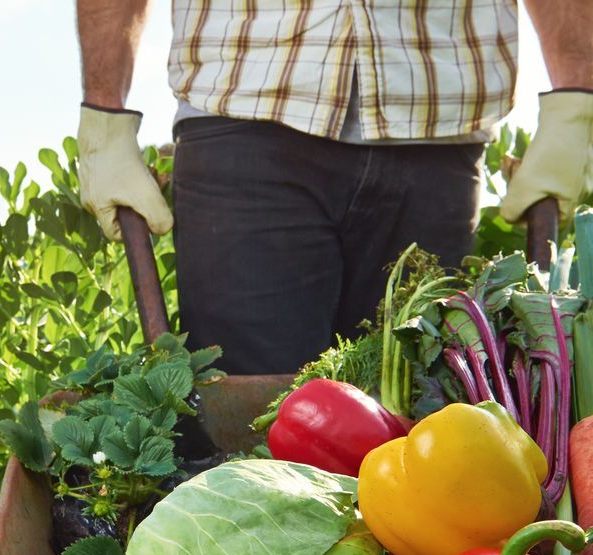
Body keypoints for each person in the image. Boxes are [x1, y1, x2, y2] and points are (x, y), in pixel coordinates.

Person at [75, 1, 593, 375]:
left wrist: (576, 96)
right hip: (244, 114)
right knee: (249, 431)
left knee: (419, 416)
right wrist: (104, 114)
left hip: (436, 121)